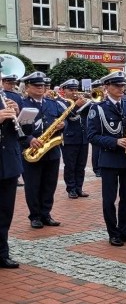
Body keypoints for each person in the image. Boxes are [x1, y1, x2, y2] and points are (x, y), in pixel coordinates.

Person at [86, 71, 126, 246]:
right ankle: (113, 233)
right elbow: (92, 136)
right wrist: (115, 141)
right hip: (110, 158)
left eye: (123, 85)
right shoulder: (98, 107)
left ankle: (125, 229)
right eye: (117, 86)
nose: (121, 88)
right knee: (109, 198)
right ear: (107, 87)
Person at [20, 72, 65, 229]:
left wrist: (62, 126)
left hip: (51, 151)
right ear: (28, 87)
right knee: (33, 185)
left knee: (49, 184)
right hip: (32, 150)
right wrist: (29, 139)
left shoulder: (52, 103)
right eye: (37, 86)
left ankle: (46, 214)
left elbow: (61, 120)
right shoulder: (22, 104)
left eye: (43, 86)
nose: (41, 88)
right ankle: (35, 216)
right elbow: (17, 129)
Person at [0, 90, 22, 267]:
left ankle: (2, 253)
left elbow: (23, 133)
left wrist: (20, 115)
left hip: (9, 164)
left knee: (5, 212)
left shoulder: (10, 99)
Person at [58, 79, 91, 199]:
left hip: (83, 137)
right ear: (64, 91)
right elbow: (66, 115)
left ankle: (79, 188)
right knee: (70, 165)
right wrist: (76, 105)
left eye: (76, 89)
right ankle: (71, 188)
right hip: (69, 138)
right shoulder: (61, 103)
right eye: (71, 90)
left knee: (81, 165)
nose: (74, 92)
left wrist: (89, 101)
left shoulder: (82, 101)